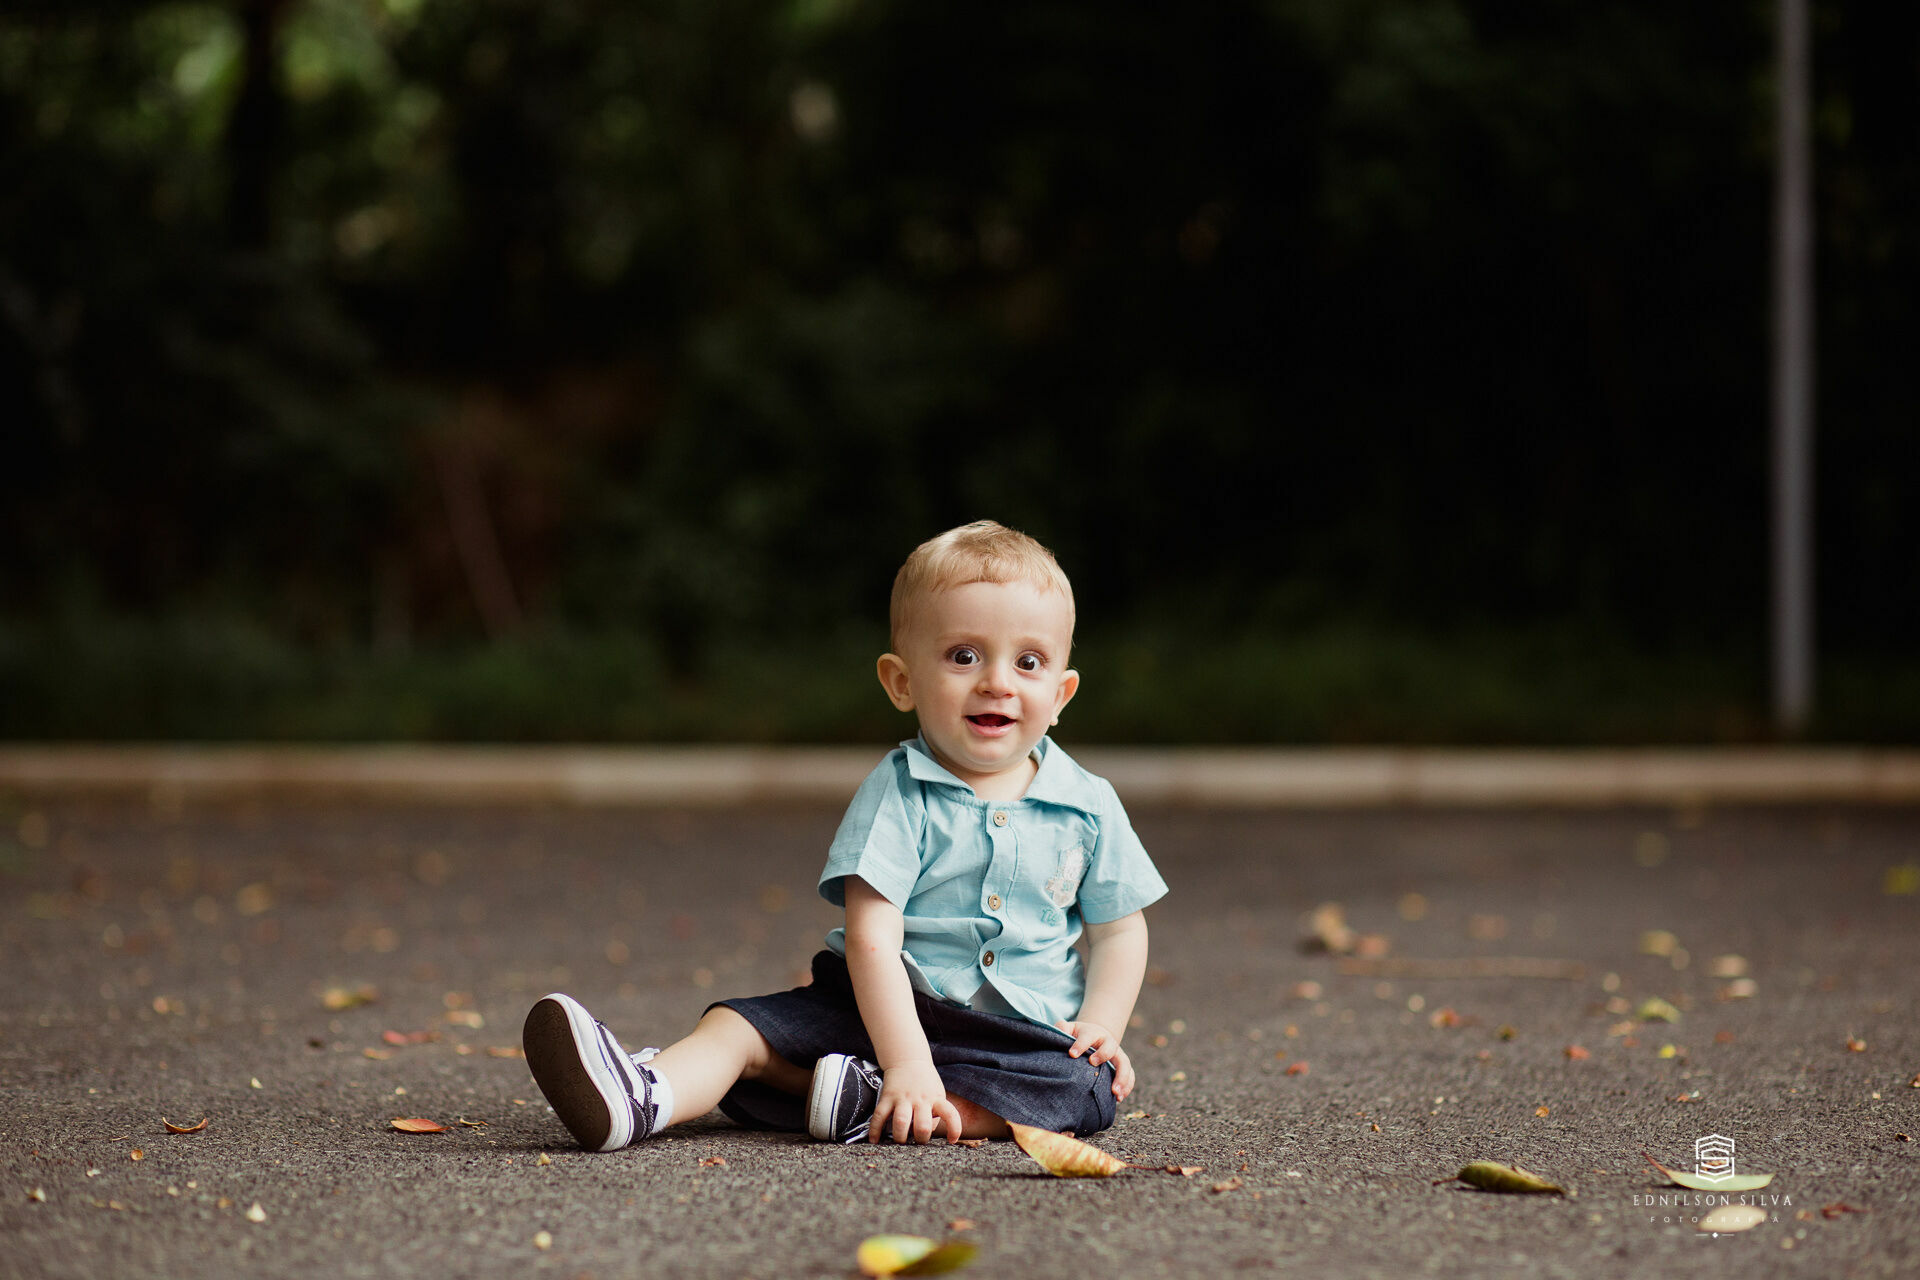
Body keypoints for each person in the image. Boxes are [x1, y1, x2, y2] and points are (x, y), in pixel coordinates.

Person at [522, 520, 1168, 1149]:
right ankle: (645, 1095)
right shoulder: (901, 790)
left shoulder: (1088, 805)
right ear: (902, 682)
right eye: (964, 656)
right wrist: (908, 1059)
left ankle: (875, 1104)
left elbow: (1119, 930)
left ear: (1061, 694)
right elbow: (872, 938)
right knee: (738, 1024)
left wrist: (1101, 1026)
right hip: (876, 1004)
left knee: (1087, 1085)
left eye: (1028, 662)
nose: (997, 680)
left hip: (1017, 1035)